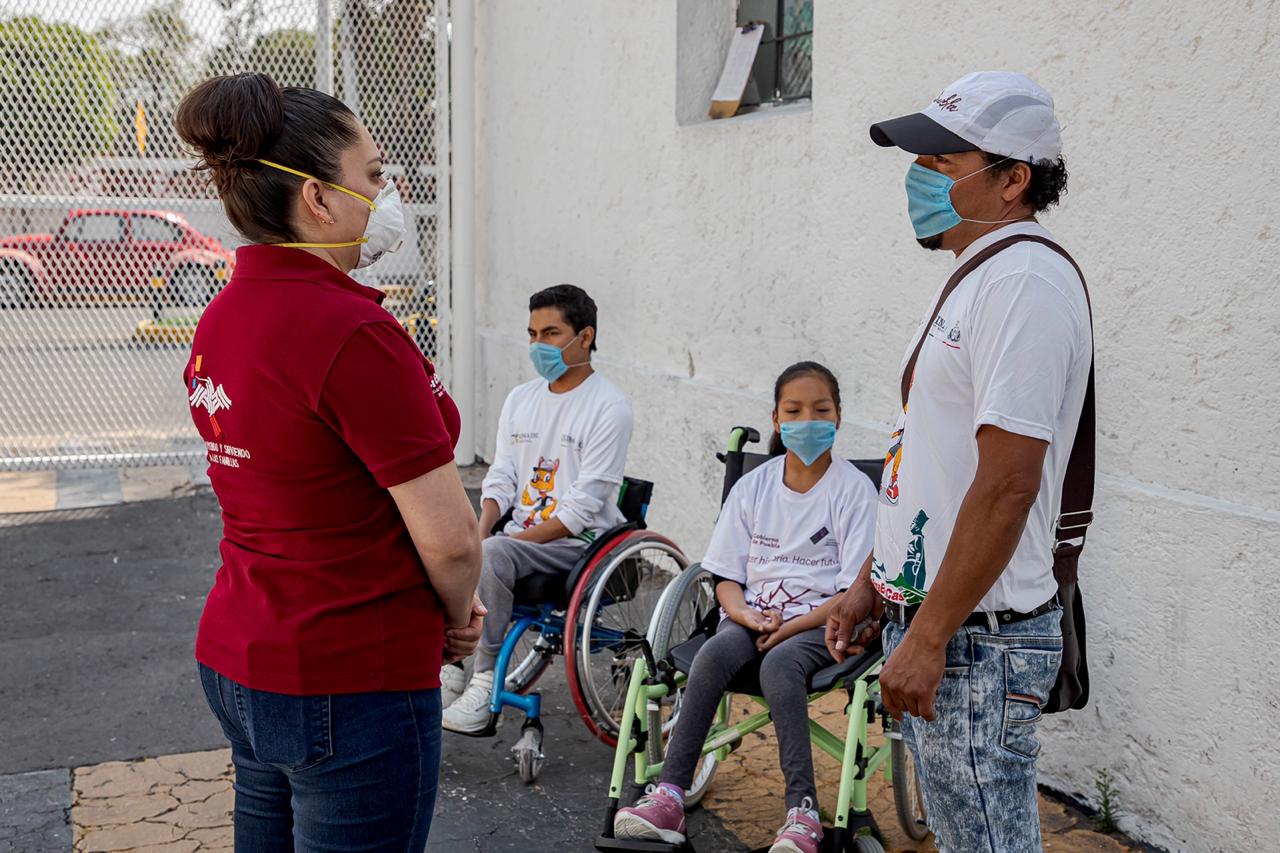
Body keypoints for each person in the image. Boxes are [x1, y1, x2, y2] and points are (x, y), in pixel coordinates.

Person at [174, 72, 484, 851]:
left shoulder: (224, 314)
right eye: (374, 176)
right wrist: (455, 619)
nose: (389, 194)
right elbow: (450, 540)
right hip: (351, 677)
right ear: (318, 197)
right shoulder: (354, 332)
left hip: (242, 656)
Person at [824, 71, 1091, 852]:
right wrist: (874, 585)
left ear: (1014, 179)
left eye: (944, 159)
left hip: (977, 637)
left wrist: (931, 635)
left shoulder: (1022, 281)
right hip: (952, 624)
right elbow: (932, 465)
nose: (920, 174)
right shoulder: (982, 275)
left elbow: (1007, 485)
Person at [614, 362, 877, 853]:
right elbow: (726, 579)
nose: (807, 420)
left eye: (820, 410)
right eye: (794, 411)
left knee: (779, 665)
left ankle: (802, 814)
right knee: (715, 653)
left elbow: (851, 594)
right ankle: (669, 795)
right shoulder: (753, 487)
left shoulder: (853, 491)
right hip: (755, 615)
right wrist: (745, 616)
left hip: (822, 626)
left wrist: (791, 626)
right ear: (777, 420)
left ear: (838, 417)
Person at [441, 284, 634, 733]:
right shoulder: (521, 400)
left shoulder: (609, 407)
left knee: (494, 554)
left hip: (583, 546)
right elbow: (502, 477)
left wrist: (498, 544)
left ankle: (484, 678)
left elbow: (581, 510)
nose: (537, 345)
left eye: (550, 333)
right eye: (531, 334)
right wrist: (481, 530)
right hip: (523, 537)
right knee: (453, 544)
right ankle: (449, 667)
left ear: (584, 337)